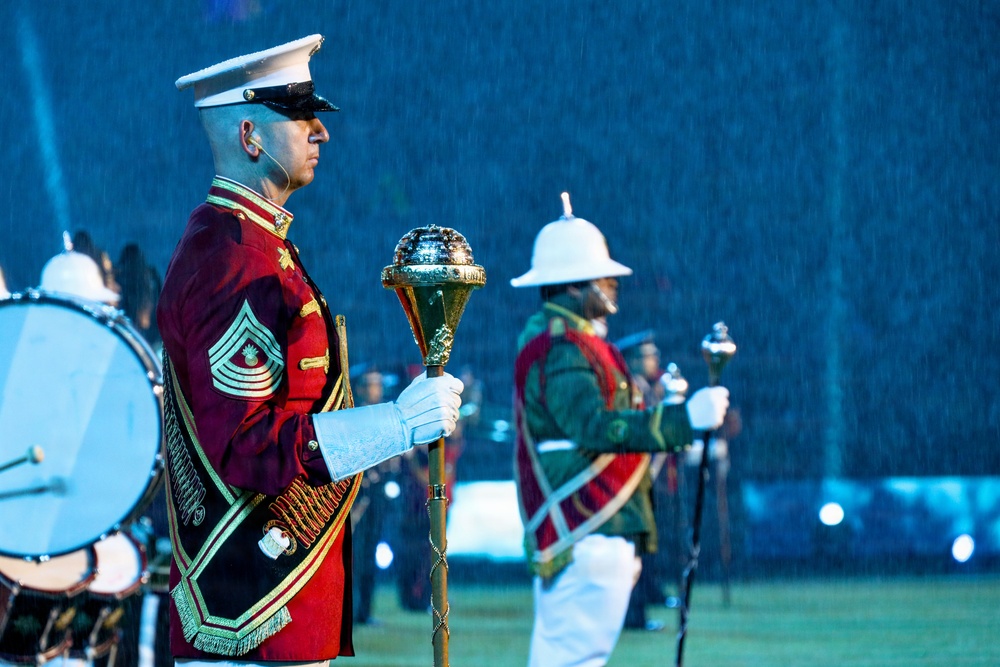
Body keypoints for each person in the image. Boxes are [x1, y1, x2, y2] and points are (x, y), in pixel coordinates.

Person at [159, 35, 464, 665]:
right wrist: (397, 425)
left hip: (273, 607)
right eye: (300, 116)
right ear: (250, 136)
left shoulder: (253, 247)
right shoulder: (235, 261)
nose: (320, 132)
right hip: (254, 614)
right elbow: (247, 448)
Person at [510, 193, 729, 667]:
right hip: (589, 521)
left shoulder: (576, 341)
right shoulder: (564, 347)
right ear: (572, 284)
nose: (613, 283)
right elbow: (592, 426)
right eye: (602, 276)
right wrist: (681, 422)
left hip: (598, 524)